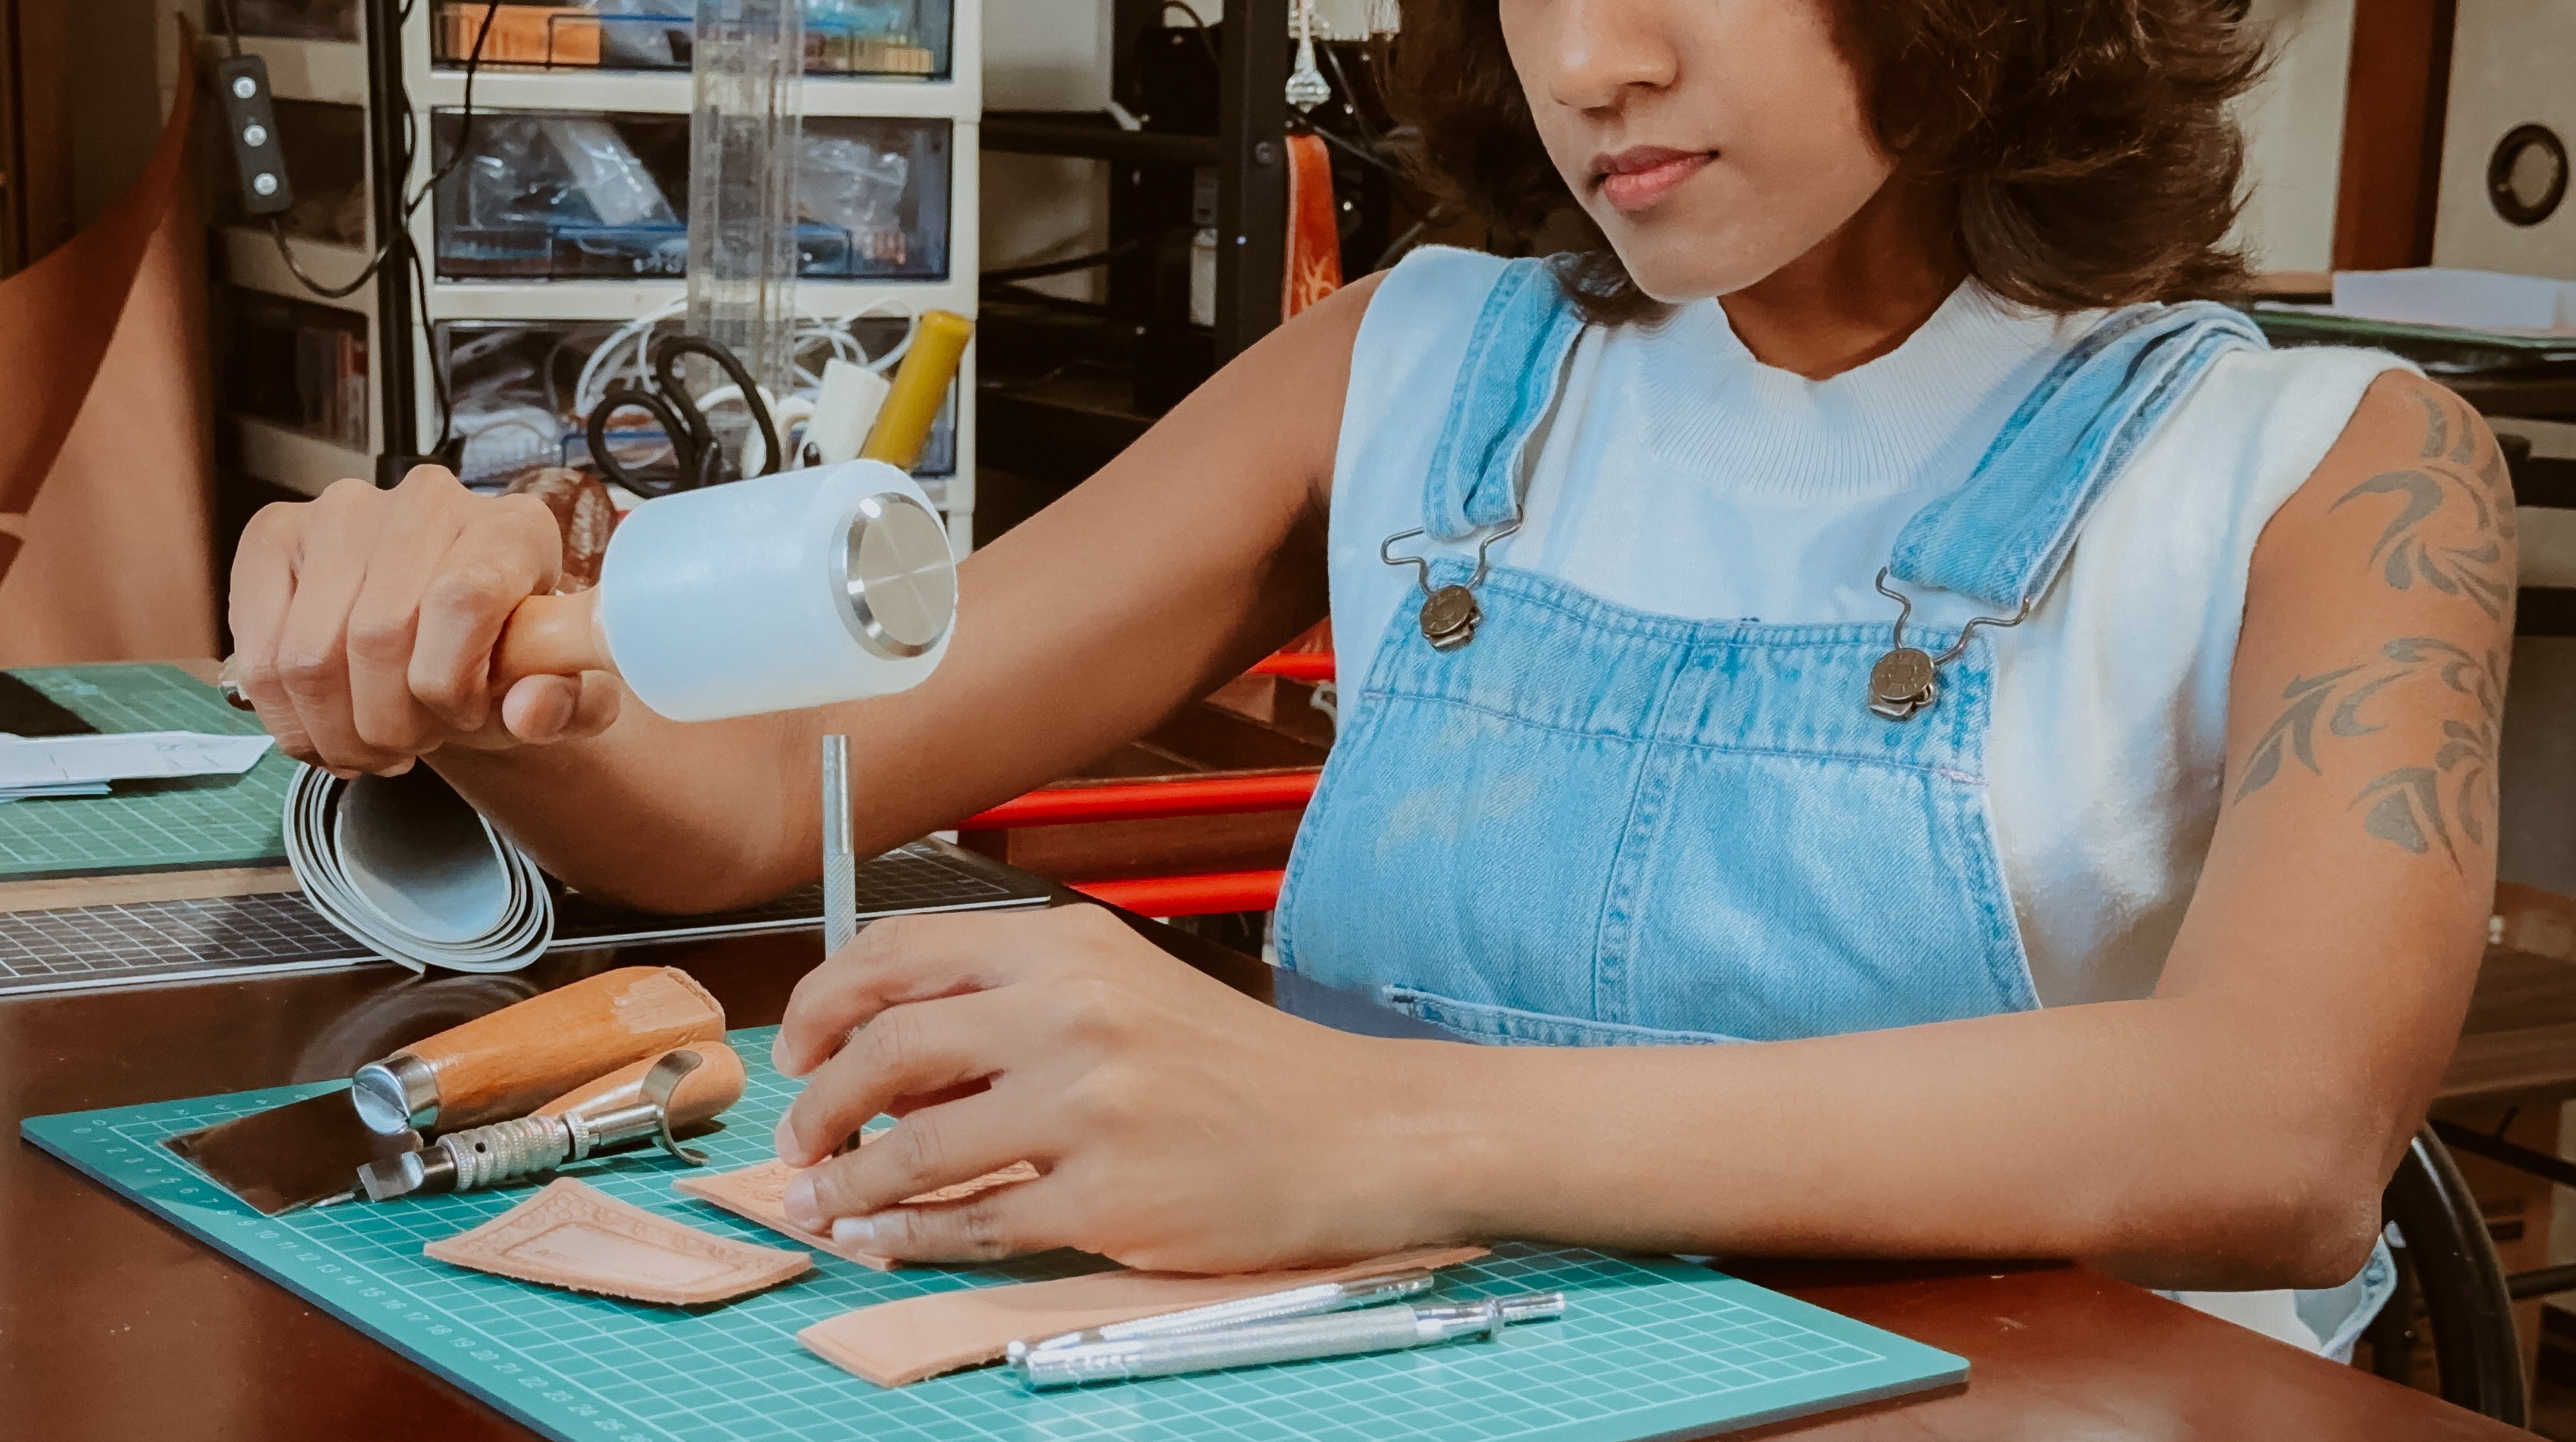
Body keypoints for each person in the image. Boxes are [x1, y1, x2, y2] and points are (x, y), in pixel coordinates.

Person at [227, 0, 2515, 1355]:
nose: (1590, 58)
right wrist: (469, 681)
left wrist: (1350, 1124)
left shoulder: (2325, 465)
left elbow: (2275, 1133)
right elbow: (759, 803)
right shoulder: (1418, 354)